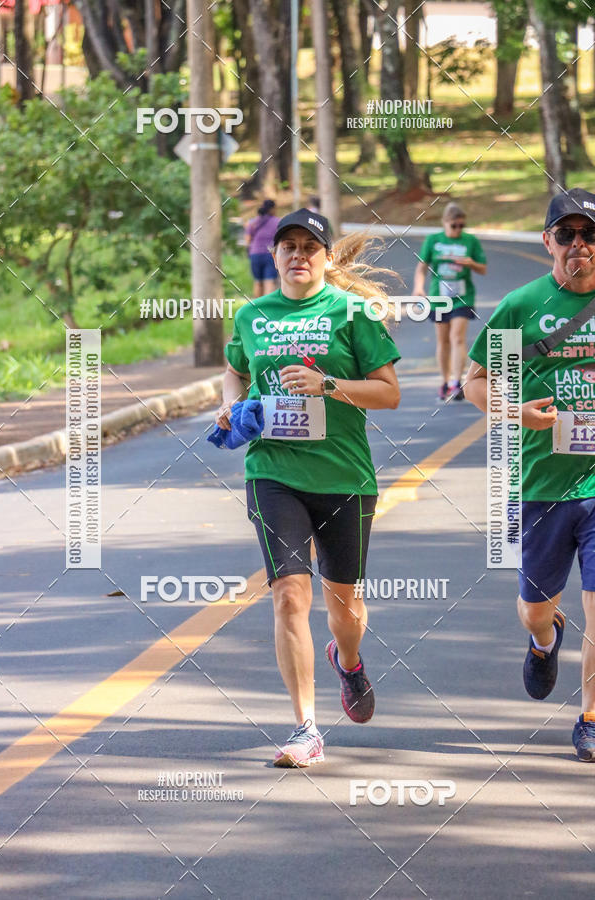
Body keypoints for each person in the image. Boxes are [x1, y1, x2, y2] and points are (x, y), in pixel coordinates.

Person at [215, 209, 401, 767]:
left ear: (326, 257)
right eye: (288, 246)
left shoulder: (353, 313)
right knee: (290, 594)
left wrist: (328, 385)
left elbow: (389, 393)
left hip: (344, 476)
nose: (298, 254)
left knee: (345, 607)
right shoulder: (253, 315)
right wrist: (230, 404)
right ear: (273, 256)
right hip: (273, 472)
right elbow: (235, 369)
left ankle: (348, 660)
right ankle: (305, 729)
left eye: (310, 247)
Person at [465, 187, 595, 763]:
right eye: (566, 234)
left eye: (590, 234)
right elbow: (474, 382)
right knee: (535, 608)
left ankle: (590, 717)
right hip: (541, 486)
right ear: (547, 242)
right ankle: (545, 638)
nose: (579, 244)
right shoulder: (521, 306)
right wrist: (515, 411)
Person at [413, 202, 487, 401]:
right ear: (445, 222)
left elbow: (483, 268)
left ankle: (456, 382)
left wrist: (471, 263)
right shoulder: (433, 240)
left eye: (461, 226)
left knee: (457, 338)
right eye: (454, 226)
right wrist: (418, 287)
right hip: (439, 298)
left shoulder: (470, 241)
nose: (457, 230)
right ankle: (445, 382)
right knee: (443, 340)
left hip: (463, 298)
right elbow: (422, 267)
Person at [244, 199, 281, 297]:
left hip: (255, 254)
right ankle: (267, 305)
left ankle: (257, 305)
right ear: (273, 209)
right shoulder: (278, 222)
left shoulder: (252, 222)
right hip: (270, 254)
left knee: (258, 282)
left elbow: (247, 240)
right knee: (269, 281)